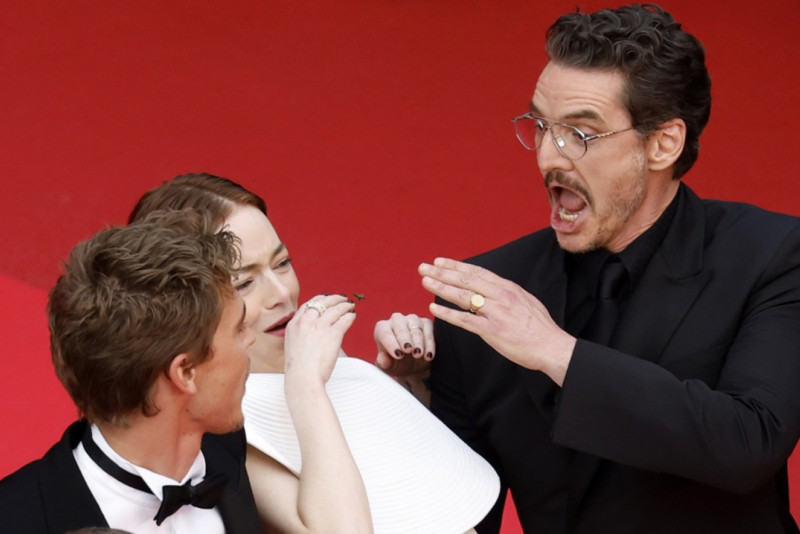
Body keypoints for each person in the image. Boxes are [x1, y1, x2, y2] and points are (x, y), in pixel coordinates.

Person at [384, 4, 800, 533]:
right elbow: (456, 519)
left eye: (579, 134)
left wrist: (554, 351)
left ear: (663, 144)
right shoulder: (487, 299)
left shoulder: (773, 254)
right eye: (540, 126)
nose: (547, 157)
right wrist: (407, 408)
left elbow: (749, 443)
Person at [130, 173, 500, 534]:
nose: (282, 293)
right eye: (244, 282)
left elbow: (416, 487)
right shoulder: (216, 426)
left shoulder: (312, 356)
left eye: (282, 263)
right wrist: (306, 383)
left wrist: (414, 383)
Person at [0, 210, 263, 533]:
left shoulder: (228, 447)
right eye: (238, 329)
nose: (250, 340)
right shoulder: (14, 519)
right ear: (185, 372)